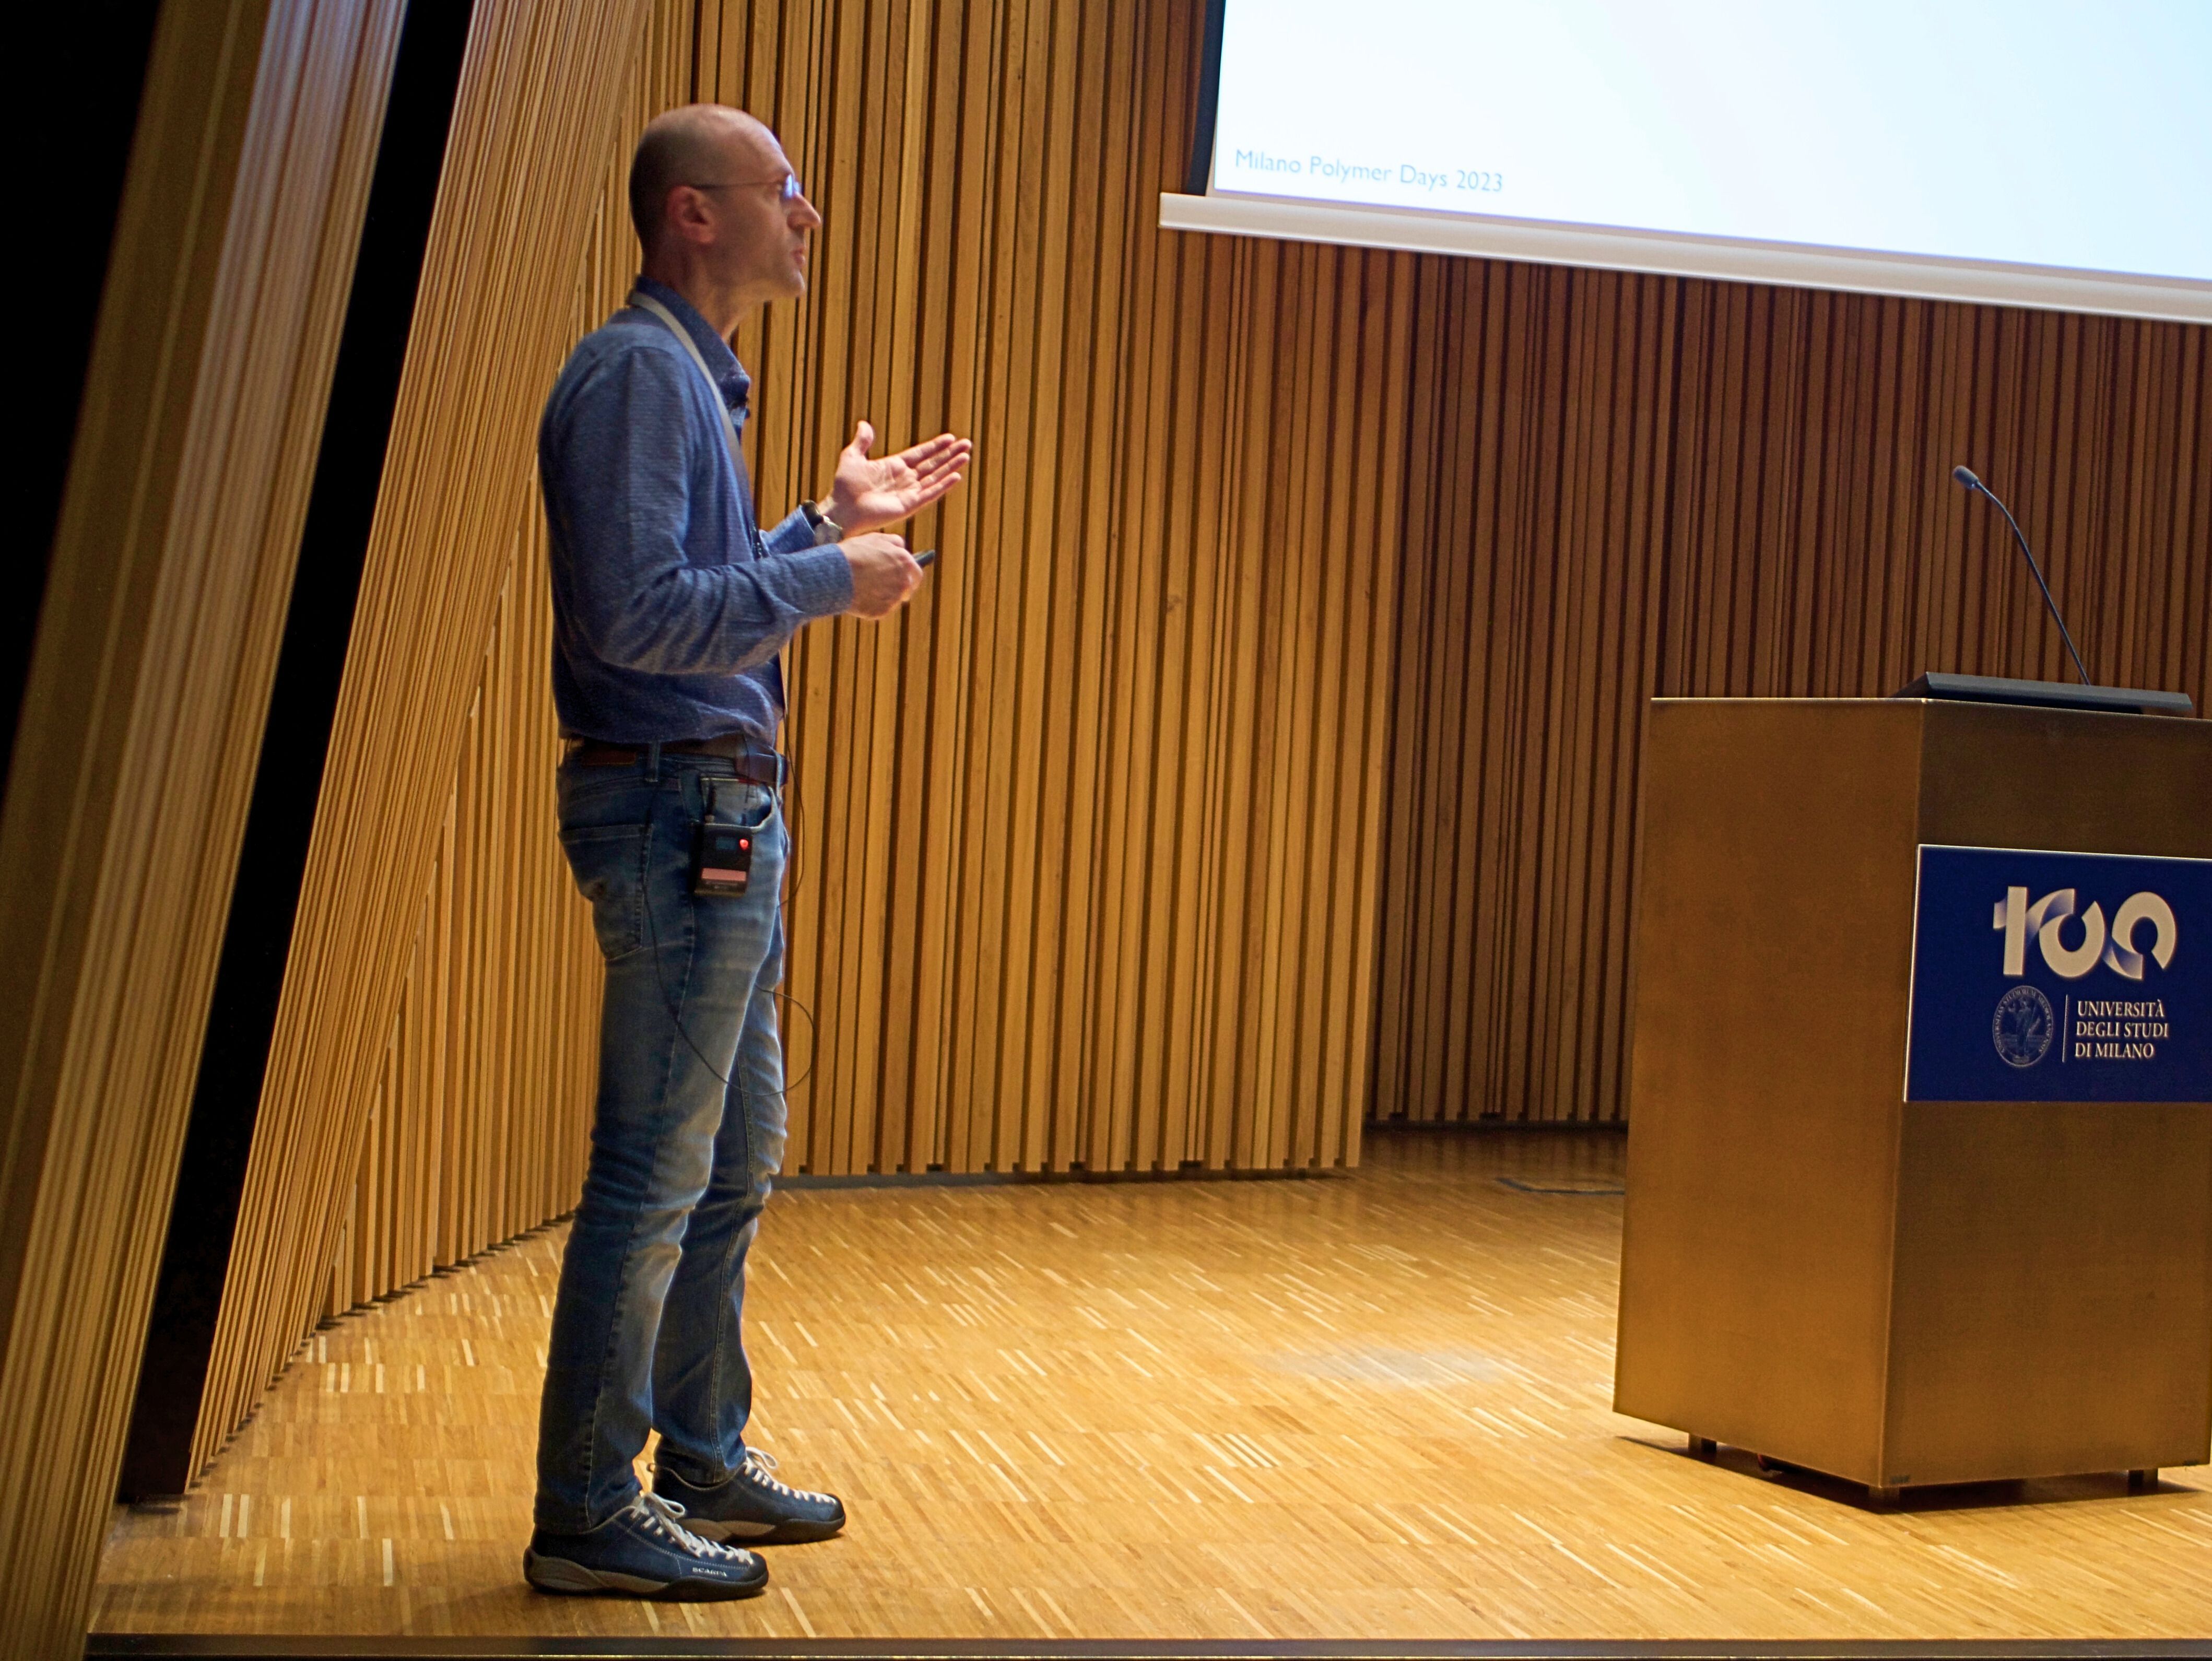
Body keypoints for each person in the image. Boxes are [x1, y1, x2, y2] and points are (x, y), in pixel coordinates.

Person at [524, 103, 971, 1600]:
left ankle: (698, 1457)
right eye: (785, 190)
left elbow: (694, 590)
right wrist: (828, 576)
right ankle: (588, 1508)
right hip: (677, 812)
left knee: (728, 1163)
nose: (809, 214)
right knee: (657, 1171)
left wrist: (816, 530)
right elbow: (637, 620)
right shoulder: (640, 373)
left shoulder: (680, 379)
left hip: (710, 809)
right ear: (694, 214)